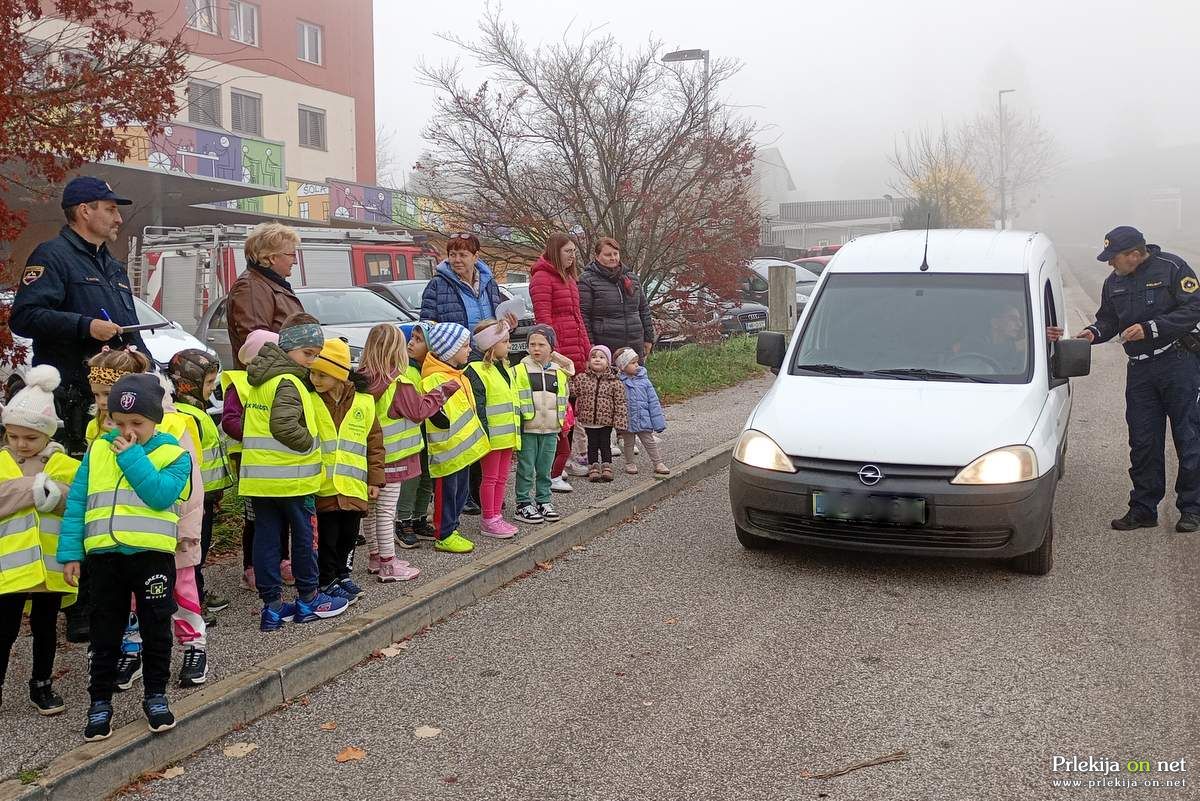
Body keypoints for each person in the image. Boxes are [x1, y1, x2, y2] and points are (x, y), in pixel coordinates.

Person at [59, 373, 191, 741]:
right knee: (105, 632)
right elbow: (78, 503)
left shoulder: (174, 455)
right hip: (104, 558)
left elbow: (160, 495)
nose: (127, 430)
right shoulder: (98, 449)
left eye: (137, 423)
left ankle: (156, 695)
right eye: (118, 423)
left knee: (155, 628)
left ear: (155, 420)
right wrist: (71, 552)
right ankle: (99, 701)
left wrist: (133, 456)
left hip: (150, 558)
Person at [10, 176, 146, 459]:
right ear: (84, 211)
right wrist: (86, 326)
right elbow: (24, 316)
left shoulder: (113, 266)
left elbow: (130, 330)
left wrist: (151, 371)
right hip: (74, 400)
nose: (119, 218)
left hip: (116, 403)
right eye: (110, 210)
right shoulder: (52, 256)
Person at [1077, 226, 1200, 533]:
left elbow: (1194, 307)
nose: (1109, 264)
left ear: (1134, 254)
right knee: (1143, 441)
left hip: (1179, 363)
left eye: (1113, 257)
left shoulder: (1172, 268)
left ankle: (1192, 508)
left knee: (1189, 437)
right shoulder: (1113, 282)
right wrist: (1092, 333)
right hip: (1140, 370)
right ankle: (1144, 509)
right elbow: (1108, 319)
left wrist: (1152, 328)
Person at [240, 313, 348, 630]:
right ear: (289, 348)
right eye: (308, 354)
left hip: (261, 481)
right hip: (292, 479)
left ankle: (272, 605)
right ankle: (309, 598)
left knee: (267, 540)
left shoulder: (261, 380)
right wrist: (309, 444)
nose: (312, 362)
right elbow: (284, 425)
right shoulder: (288, 381)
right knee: (304, 539)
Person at [0, 365, 79, 716]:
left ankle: (42, 684)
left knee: (47, 629)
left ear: (47, 436)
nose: (21, 444)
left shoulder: (61, 464)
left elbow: (79, 499)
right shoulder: (2, 464)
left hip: (51, 566)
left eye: (31, 438)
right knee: (4, 632)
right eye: (13, 436)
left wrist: (56, 494)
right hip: (9, 568)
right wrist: (33, 490)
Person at [358, 324, 454, 578]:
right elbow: (418, 411)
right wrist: (441, 392)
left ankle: (375, 557)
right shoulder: (398, 382)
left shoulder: (361, 378)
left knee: (370, 509)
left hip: (367, 456)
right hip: (394, 457)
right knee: (387, 510)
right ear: (397, 350)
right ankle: (389, 564)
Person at [309, 338, 386, 602]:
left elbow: (374, 442)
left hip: (354, 484)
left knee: (350, 535)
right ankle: (327, 580)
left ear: (339, 375)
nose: (315, 379)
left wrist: (375, 479)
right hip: (324, 485)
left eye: (322, 374)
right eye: (313, 373)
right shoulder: (311, 400)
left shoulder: (364, 402)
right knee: (328, 538)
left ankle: (344, 575)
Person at [220, 330, 293, 591]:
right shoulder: (239, 384)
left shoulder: (281, 381)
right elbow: (229, 420)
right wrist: (257, 432)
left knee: (282, 514)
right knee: (255, 516)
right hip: (250, 461)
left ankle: (283, 559)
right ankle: (251, 566)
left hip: (276, 459)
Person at [167, 350, 233, 622]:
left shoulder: (195, 412)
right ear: (189, 383)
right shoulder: (186, 417)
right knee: (191, 552)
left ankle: (198, 592)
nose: (213, 387)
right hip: (193, 501)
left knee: (198, 551)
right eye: (208, 383)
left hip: (205, 497)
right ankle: (189, 604)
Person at [421, 322, 491, 554]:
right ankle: (444, 533)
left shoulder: (456, 375)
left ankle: (452, 528)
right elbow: (436, 414)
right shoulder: (436, 379)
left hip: (461, 450)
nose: (469, 350)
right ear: (450, 351)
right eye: (464, 346)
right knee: (447, 494)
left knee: (459, 492)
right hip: (447, 451)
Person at [530, 233, 592, 488]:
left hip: (575, 350)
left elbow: (578, 318)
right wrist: (553, 354)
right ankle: (553, 465)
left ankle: (569, 458)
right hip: (559, 353)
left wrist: (587, 350)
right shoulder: (542, 278)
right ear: (556, 251)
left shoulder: (570, 280)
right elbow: (544, 321)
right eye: (568, 251)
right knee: (557, 412)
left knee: (571, 411)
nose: (572, 255)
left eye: (574, 251)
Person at [513, 325, 574, 524]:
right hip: (528, 428)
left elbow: (562, 400)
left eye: (541, 344)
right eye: (532, 344)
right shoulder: (519, 370)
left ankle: (543, 500)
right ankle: (523, 502)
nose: (536, 349)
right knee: (526, 467)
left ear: (551, 348)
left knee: (544, 467)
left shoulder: (559, 372)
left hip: (550, 429)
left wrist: (561, 425)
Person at [465, 320, 520, 538]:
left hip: (507, 435)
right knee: (489, 477)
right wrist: (484, 435)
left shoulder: (504, 368)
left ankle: (496, 515)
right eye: (505, 341)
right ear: (491, 345)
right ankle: (489, 518)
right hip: (491, 437)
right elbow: (478, 406)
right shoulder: (477, 370)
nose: (509, 345)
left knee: (502, 477)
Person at [225, 223, 304, 369]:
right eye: (292, 254)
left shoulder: (268, 284)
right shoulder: (251, 287)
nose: (295, 261)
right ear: (272, 257)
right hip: (268, 383)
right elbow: (257, 345)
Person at [393, 323, 440, 548]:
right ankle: (403, 521)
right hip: (412, 434)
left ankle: (420, 517)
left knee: (427, 478)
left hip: (429, 432)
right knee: (411, 479)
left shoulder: (428, 369)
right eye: (411, 338)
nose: (411, 343)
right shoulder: (408, 371)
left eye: (419, 340)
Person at [578, 237, 654, 362]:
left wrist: (648, 338)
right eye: (608, 255)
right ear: (597, 256)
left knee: (636, 379)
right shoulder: (587, 280)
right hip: (605, 346)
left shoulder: (631, 278)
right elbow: (583, 315)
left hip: (634, 343)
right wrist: (590, 343)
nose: (613, 258)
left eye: (615, 254)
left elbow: (643, 309)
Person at [419, 233, 507, 331]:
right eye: (452, 255)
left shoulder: (490, 284)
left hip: (489, 346)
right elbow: (427, 326)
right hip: (455, 347)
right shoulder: (437, 285)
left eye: (462, 255)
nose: (457, 260)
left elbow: (498, 322)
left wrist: (508, 326)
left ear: (476, 256)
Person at [570, 345, 628, 482]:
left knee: (605, 442)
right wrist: (568, 378)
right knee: (592, 443)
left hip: (606, 420)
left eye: (602, 357)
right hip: (589, 419)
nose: (597, 360)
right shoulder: (582, 378)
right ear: (589, 361)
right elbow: (573, 392)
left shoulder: (614, 381)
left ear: (608, 361)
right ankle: (593, 466)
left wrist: (620, 420)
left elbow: (620, 402)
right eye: (594, 357)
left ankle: (607, 465)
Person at [614, 347, 669, 477]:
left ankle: (658, 462)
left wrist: (658, 422)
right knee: (628, 443)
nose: (636, 365)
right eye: (632, 363)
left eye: (637, 362)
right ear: (623, 366)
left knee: (649, 441)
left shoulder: (644, 381)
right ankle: (629, 462)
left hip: (643, 418)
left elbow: (653, 402)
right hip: (627, 420)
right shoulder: (618, 382)